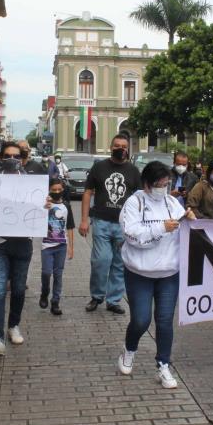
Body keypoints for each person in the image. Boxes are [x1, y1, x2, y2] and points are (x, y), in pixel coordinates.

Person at [117, 161, 195, 388]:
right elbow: (132, 235)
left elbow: (190, 230)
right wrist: (161, 228)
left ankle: (163, 365)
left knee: (164, 321)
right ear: (147, 183)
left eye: (166, 183)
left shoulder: (173, 203)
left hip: (169, 274)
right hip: (139, 273)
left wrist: (191, 220)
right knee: (141, 320)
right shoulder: (134, 203)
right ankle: (129, 350)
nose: (163, 187)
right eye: (159, 184)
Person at [0, 142, 46, 356]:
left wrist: (45, 204)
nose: (12, 159)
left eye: (16, 156)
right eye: (7, 155)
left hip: (22, 244)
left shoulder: (30, 183)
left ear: (22, 159)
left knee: (18, 289)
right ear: (0, 157)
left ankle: (13, 325)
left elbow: (42, 206)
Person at [79, 134, 141, 314]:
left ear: (127, 149)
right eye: (117, 145)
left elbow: (140, 199)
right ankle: (97, 296)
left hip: (124, 225)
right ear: (110, 146)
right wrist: (84, 220)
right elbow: (87, 193)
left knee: (119, 263)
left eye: (124, 146)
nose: (120, 148)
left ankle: (113, 300)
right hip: (102, 222)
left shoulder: (133, 171)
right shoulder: (99, 167)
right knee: (100, 260)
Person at [40, 178, 75, 315]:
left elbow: (70, 227)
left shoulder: (66, 206)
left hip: (61, 246)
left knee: (58, 275)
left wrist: (71, 247)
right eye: (53, 189)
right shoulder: (45, 205)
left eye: (59, 189)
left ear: (63, 190)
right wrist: (43, 208)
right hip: (47, 245)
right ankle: (44, 292)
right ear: (49, 190)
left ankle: (55, 302)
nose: (56, 192)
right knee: (46, 272)